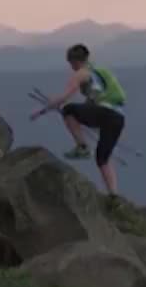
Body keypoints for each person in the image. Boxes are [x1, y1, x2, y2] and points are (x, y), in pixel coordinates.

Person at [31, 44, 127, 196]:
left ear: (74, 61)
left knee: (68, 110)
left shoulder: (81, 73)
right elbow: (92, 105)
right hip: (118, 118)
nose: (71, 67)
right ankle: (114, 196)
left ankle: (82, 147)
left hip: (105, 114)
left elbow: (65, 97)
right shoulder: (98, 73)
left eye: (70, 63)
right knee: (103, 158)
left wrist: (42, 111)